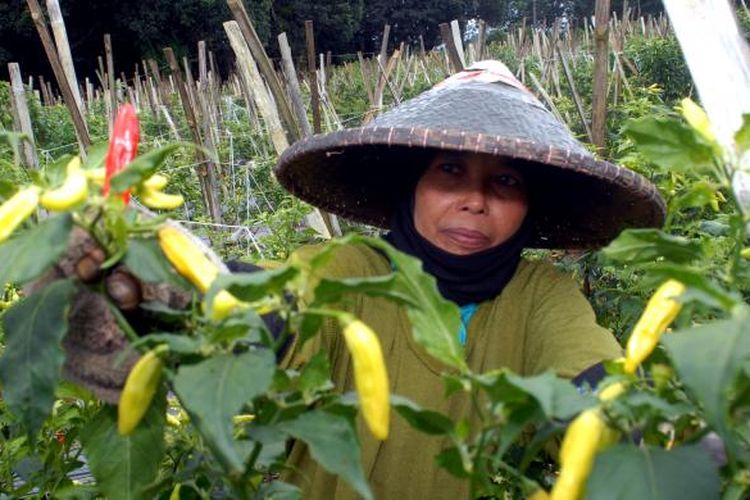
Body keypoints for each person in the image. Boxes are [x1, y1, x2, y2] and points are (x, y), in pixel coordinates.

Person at [266, 60, 665, 498]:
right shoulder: (353, 271)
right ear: (411, 184)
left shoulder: (538, 295)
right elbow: (286, 300)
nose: (475, 200)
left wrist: (636, 428)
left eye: (506, 180)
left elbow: (584, 367)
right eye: (450, 170)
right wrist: (225, 300)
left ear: (529, 205)